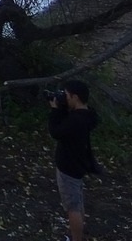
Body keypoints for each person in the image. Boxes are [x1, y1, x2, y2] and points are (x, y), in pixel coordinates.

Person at [48, 79, 99, 241]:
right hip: (78, 165)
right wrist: (63, 108)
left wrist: (55, 110)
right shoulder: (88, 115)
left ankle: (77, 239)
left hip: (68, 169)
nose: (65, 98)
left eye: (67, 95)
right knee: (77, 203)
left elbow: (56, 132)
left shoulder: (76, 120)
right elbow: (66, 128)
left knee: (72, 208)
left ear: (75, 97)